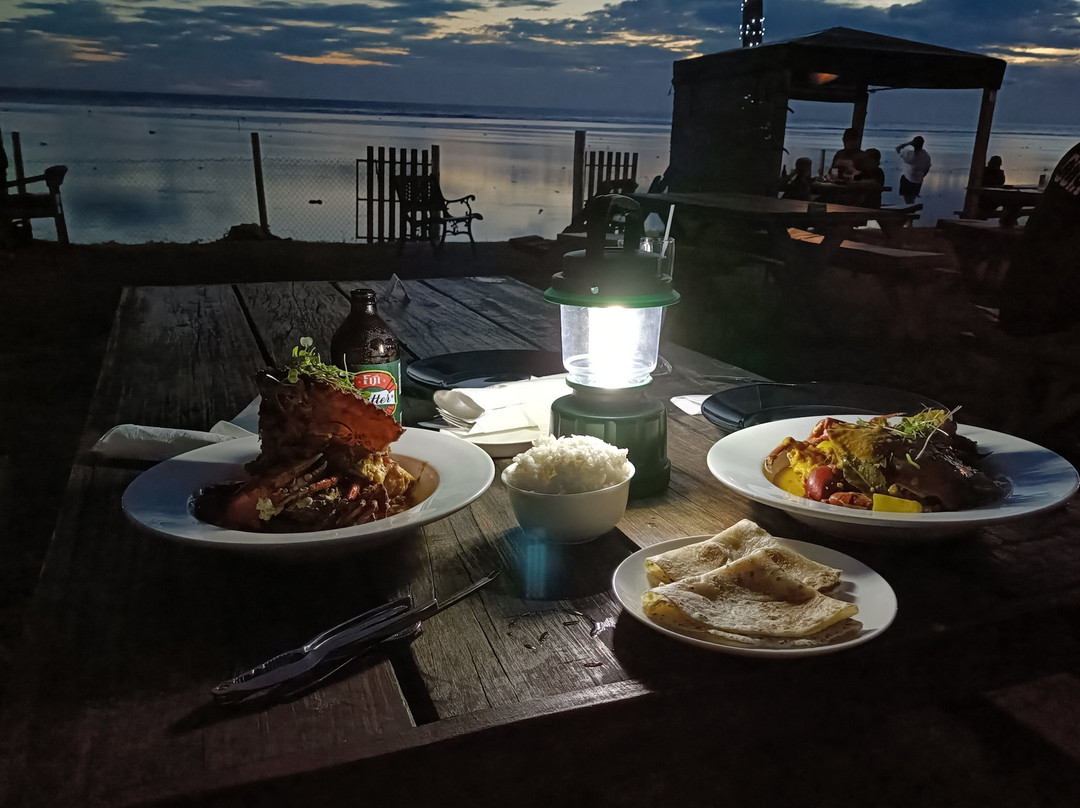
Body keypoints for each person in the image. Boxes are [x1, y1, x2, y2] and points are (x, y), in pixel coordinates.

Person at [895, 136, 932, 204]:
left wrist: (908, 143)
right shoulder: (926, 155)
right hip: (919, 180)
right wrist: (921, 176)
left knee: (908, 201)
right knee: (911, 200)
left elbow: (898, 149)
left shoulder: (910, 154)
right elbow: (927, 168)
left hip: (908, 179)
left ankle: (909, 213)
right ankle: (911, 212)